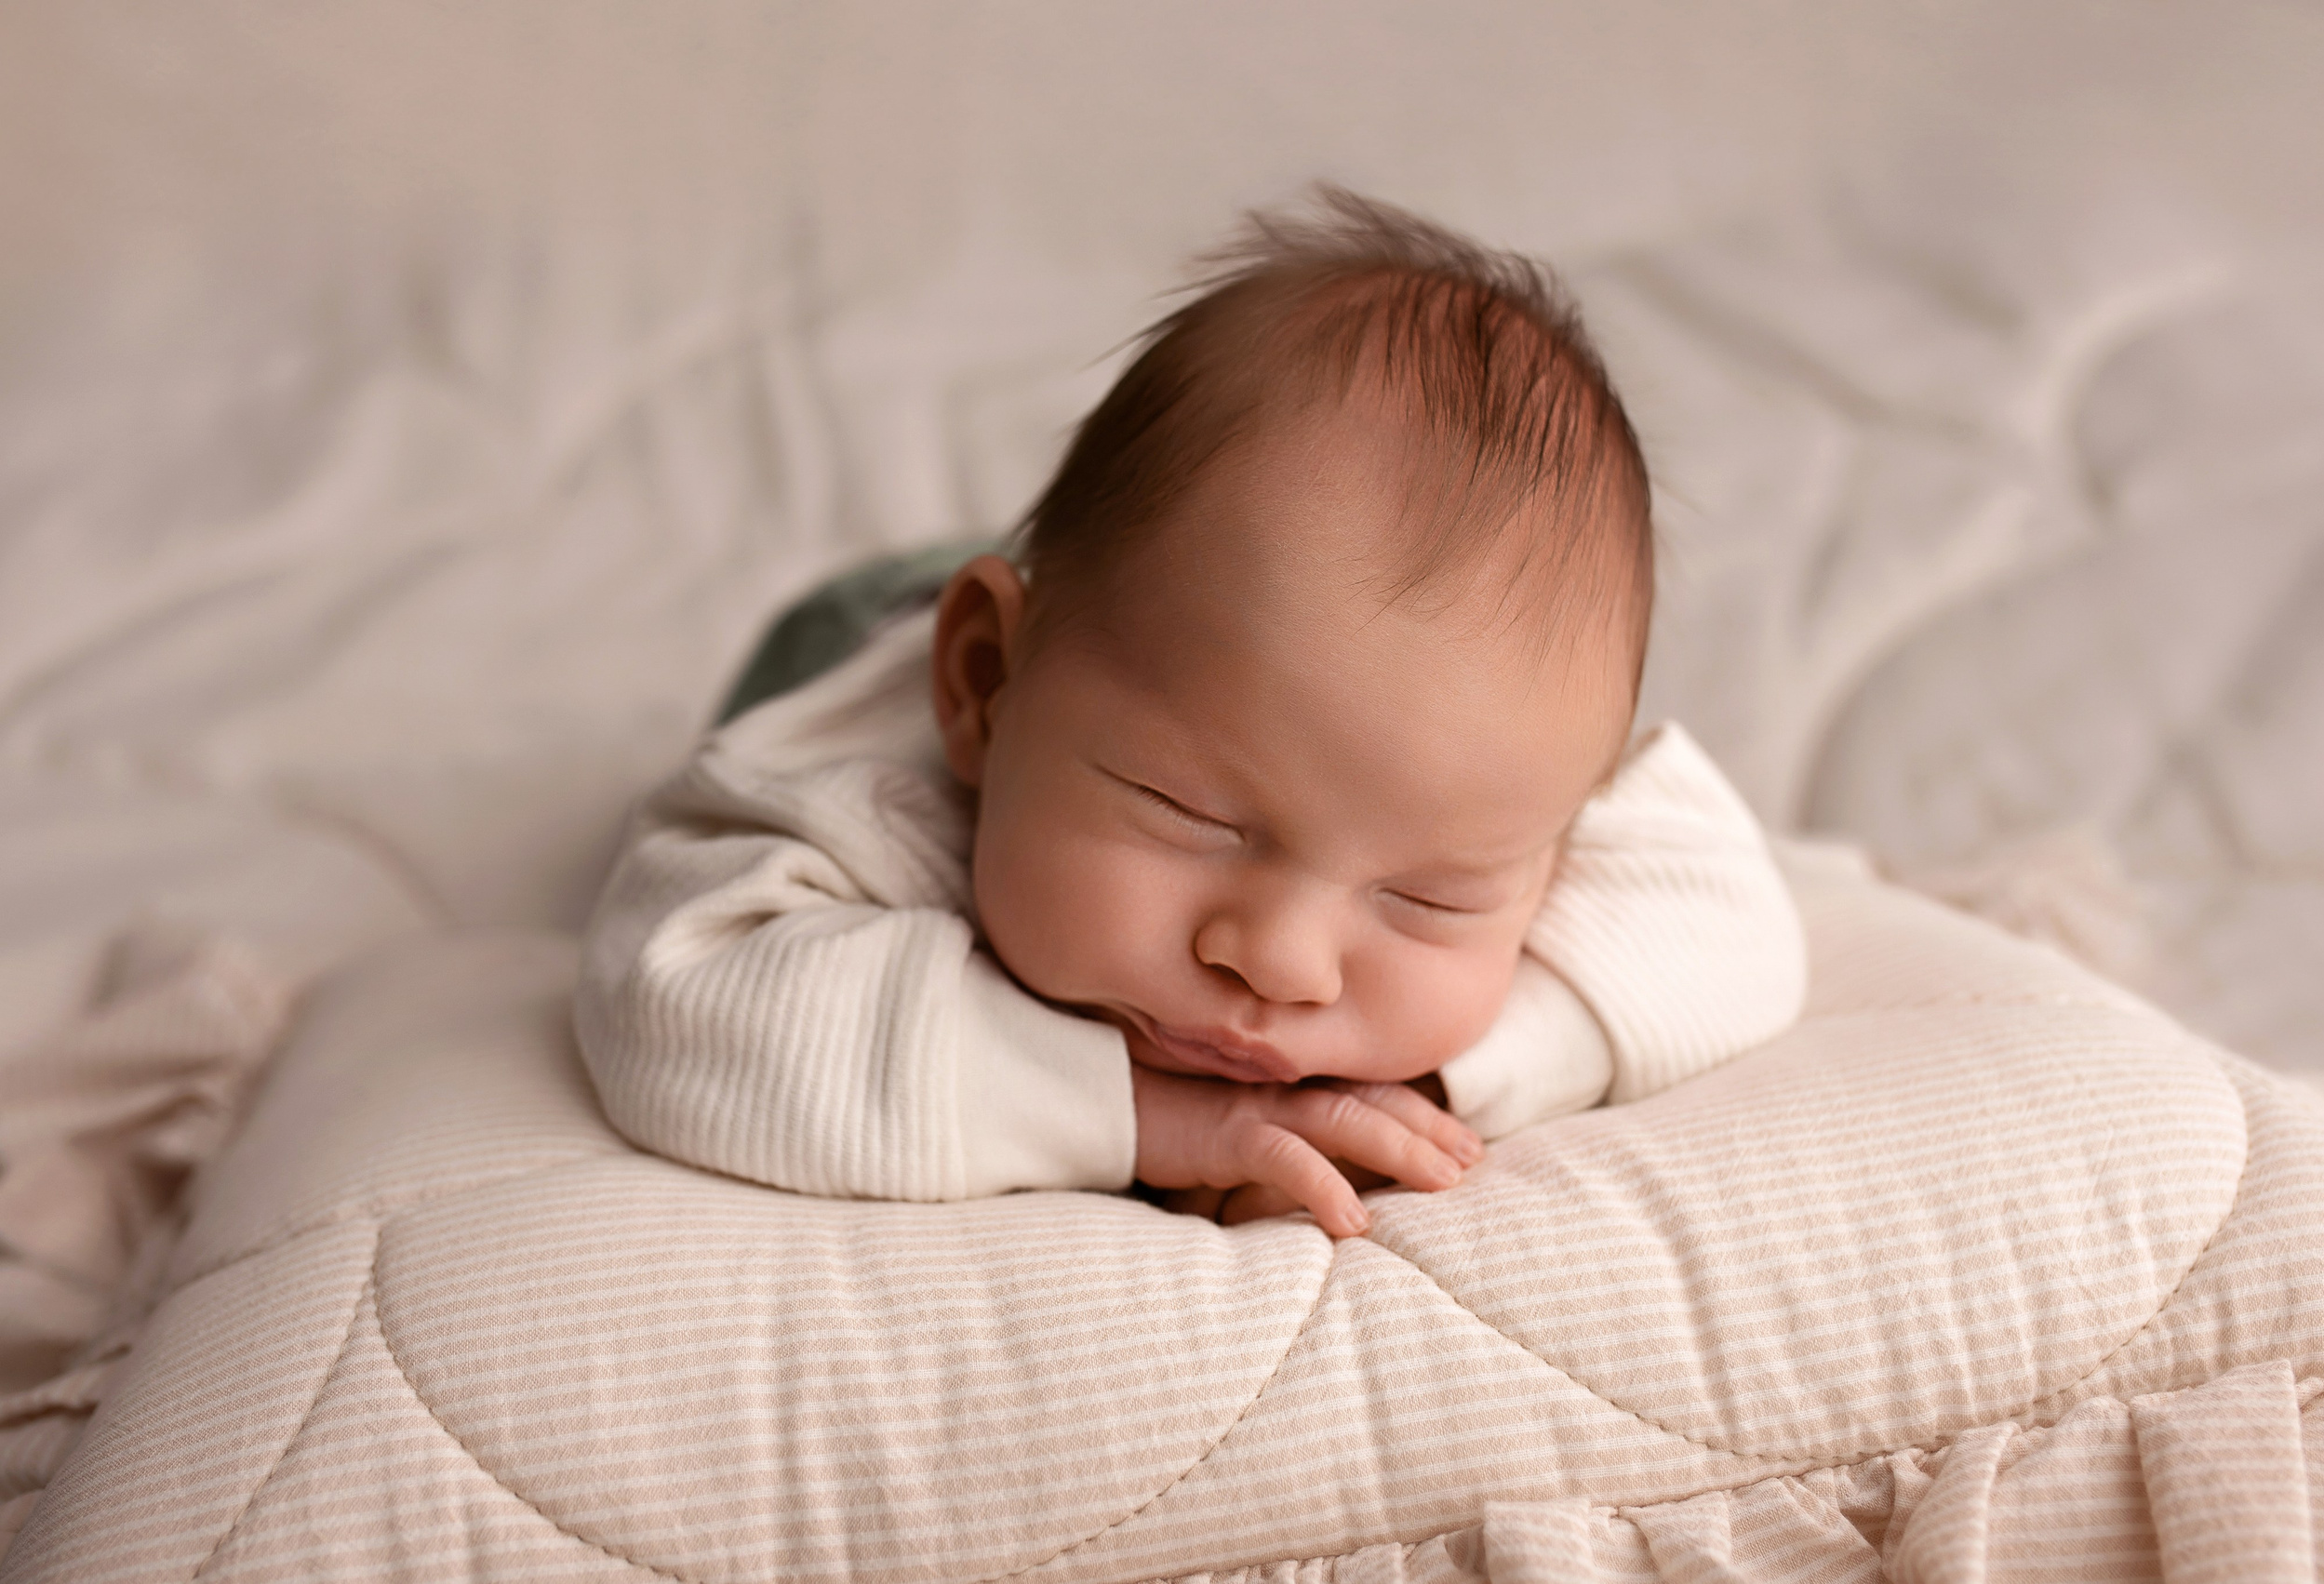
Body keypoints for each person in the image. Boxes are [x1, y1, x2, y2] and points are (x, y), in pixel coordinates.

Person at [574, 188, 1806, 1238]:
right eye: (1192, 814)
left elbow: (1731, 922)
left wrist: (1430, 1088)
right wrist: (1146, 1116)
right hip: (861, 624)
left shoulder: (1484, 774)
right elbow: (675, 1002)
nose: (1282, 962)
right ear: (986, 690)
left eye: (1431, 898)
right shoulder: (863, 796)